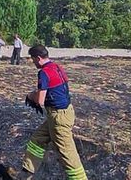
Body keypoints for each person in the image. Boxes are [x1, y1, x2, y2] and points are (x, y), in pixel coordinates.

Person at [21, 45, 87, 180]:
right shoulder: (57, 67)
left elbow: (40, 100)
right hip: (65, 112)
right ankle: (27, 172)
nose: (33, 63)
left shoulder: (43, 73)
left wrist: (30, 96)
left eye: (33, 60)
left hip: (59, 118)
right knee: (38, 139)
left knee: (67, 153)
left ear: (38, 58)